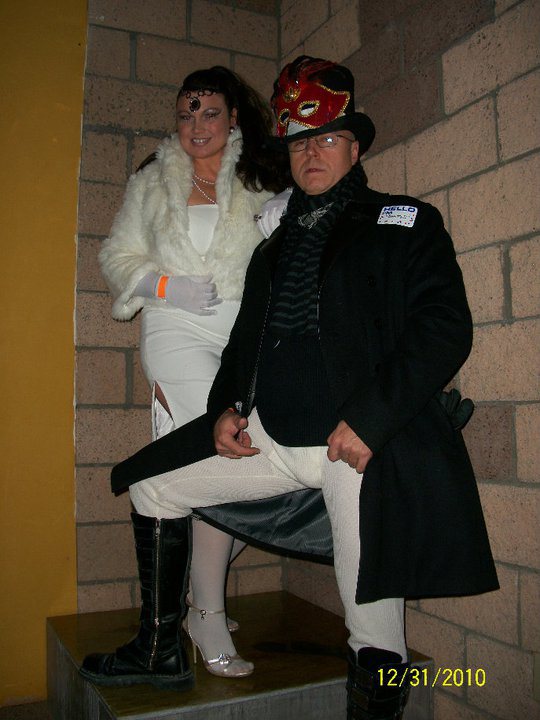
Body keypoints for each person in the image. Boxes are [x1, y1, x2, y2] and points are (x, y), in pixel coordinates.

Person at [82, 56, 499, 719]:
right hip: (273, 439)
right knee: (152, 484)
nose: (312, 153)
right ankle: (160, 649)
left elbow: (444, 331)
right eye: (301, 143)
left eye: (328, 138)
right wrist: (225, 409)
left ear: (355, 148)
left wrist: (372, 419)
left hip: (352, 448)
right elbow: (243, 345)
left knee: (371, 623)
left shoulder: (404, 223)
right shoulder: (270, 248)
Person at [95, 65, 290, 681]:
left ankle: (196, 598)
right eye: (186, 113)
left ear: (233, 117)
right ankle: (206, 613)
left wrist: (285, 215)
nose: (196, 124)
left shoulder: (262, 176)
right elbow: (116, 255)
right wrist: (163, 286)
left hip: (243, 336)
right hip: (175, 328)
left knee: (247, 461)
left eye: (209, 112)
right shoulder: (153, 179)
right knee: (216, 451)